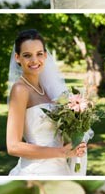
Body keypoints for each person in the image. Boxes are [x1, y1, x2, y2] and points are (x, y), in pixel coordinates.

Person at [6, 27, 88, 177]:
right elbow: (13, 146)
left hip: (60, 169)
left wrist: (74, 143)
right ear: (17, 58)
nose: (34, 60)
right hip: (37, 172)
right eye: (27, 55)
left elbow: (55, 135)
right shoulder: (20, 90)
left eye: (39, 54)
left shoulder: (47, 89)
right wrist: (62, 152)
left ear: (45, 55)